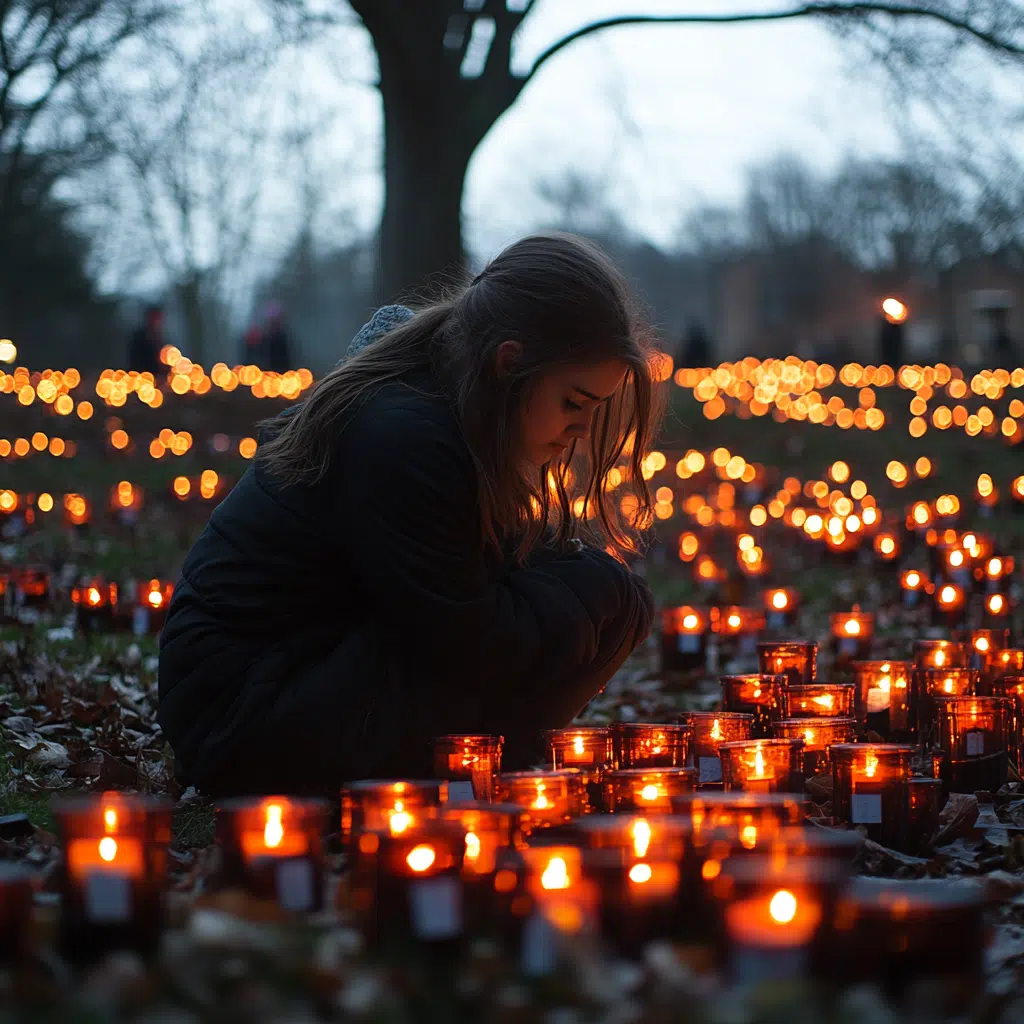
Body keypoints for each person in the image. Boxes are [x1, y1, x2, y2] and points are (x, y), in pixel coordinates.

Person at [158, 233, 660, 797]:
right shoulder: (402, 435)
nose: (582, 431)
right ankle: (490, 770)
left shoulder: (450, 407)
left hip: (316, 670)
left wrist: (599, 594)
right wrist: (595, 592)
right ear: (509, 364)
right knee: (604, 594)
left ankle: (494, 767)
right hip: (243, 715)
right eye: (574, 403)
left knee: (614, 600)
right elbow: (463, 642)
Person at [127, 305, 165, 375]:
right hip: (142, 376)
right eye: (154, 317)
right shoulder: (139, 337)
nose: (157, 321)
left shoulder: (159, 336)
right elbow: (135, 360)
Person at [263, 301, 292, 372]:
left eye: (276, 320)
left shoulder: (285, 338)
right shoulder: (264, 339)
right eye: (272, 320)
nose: (274, 322)